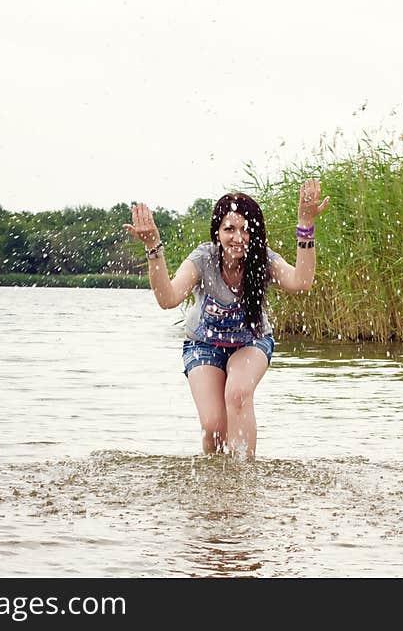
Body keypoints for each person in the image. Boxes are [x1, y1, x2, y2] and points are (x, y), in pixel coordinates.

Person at [123, 180, 329, 459]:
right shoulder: (204, 259)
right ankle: (216, 484)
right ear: (217, 232)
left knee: (238, 394)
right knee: (213, 426)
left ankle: (244, 476)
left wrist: (306, 223)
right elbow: (167, 298)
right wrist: (153, 248)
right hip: (203, 345)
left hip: (251, 342)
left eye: (245, 229)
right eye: (229, 229)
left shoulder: (262, 259)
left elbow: (301, 281)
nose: (238, 237)